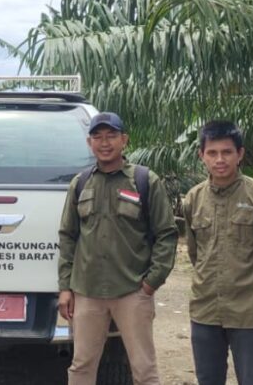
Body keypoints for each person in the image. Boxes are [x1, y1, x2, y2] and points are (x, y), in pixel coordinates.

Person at [58, 112, 178, 385]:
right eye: (98, 137)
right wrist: (65, 286)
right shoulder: (80, 183)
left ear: (124, 140)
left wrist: (150, 283)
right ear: (90, 143)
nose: (104, 142)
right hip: (87, 292)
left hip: (132, 291)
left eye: (111, 135)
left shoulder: (145, 181)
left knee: (144, 369)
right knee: (81, 366)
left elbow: (167, 234)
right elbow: (68, 236)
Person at [180, 121, 253, 385]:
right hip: (205, 309)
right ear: (201, 155)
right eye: (212, 153)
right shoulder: (193, 199)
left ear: (240, 154)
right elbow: (195, 253)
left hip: (249, 312)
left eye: (227, 152)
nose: (220, 159)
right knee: (208, 379)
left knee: (252, 380)